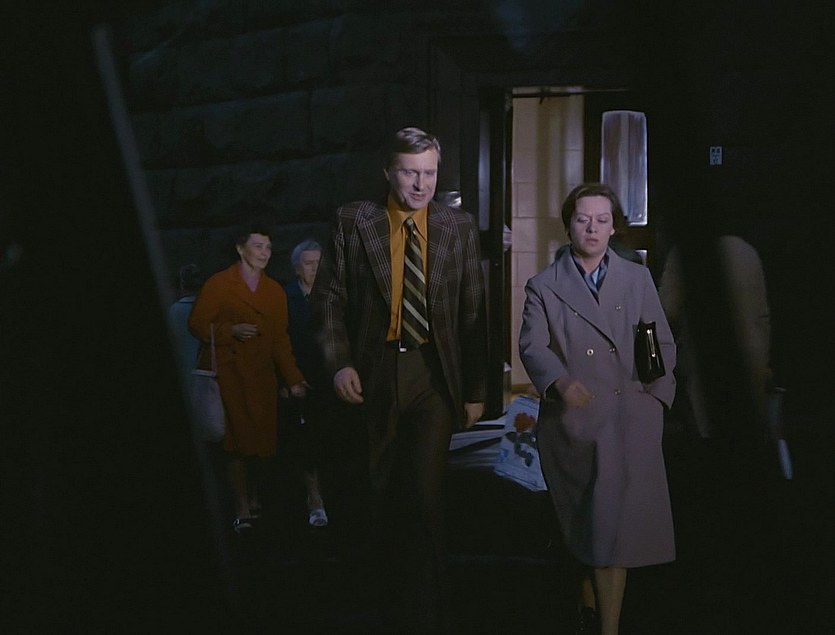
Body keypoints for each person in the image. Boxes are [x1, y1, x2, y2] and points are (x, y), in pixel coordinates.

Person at [309, 126, 488, 633]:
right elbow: (328, 301)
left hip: (433, 374)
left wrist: (476, 390)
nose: (421, 184)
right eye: (411, 172)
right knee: (375, 494)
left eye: (430, 173)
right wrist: (339, 363)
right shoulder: (353, 221)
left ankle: (426, 615)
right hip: (374, 371)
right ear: (388, 171)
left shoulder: (457, 226)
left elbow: (473, 310)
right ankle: (374, 608)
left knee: (424, 500)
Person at [518, 183, 677, 635]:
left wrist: (657, 399)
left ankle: (607, 627)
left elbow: (661, 342)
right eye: (583, 219)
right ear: (568, 225)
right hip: (574, 424)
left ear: (613, 228)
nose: (592, 228)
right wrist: (561, 381)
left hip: (629, 419)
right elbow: (533, 345)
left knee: (612, 535)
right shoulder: (544, 286)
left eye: (602, 220)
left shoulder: (637, 279)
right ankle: (587, 609)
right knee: (585, 530)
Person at [189, 224, 308, 535]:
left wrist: (293, 378)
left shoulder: (274, 291)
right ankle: (241, 506)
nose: (264, 253)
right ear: (241, 249)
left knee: (261, 446)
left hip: (262, 379)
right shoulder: (220, 284)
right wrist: (230, 331)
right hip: (230, 377)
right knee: (235, 446)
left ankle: (254, 498)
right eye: (258, 246)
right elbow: (197, 323)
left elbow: (280, 340)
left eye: (267, 247)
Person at [283, 239, 329, 527]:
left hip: (333, 381)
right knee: (306, 445)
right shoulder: (285, 298)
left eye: (318, 263)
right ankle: (315, 501)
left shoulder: (334, 295)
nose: (314, 268)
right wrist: (288, 379)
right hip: (302, 382)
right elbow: (279, 342)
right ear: (297, 268)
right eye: (308, 263)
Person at [167, 263, 203, 385]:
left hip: (185, 371)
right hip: (208, 373)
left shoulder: (175, 310)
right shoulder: (209, 308)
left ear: (182, 285)